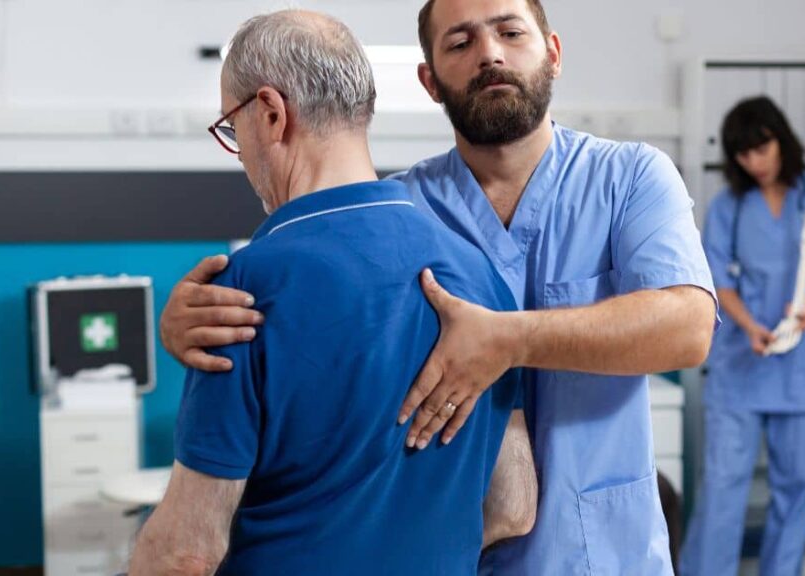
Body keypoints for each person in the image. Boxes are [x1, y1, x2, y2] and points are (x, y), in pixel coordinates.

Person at [159, 0, 718, 573]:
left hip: (601, 551)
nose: (490, 54)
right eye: (460, 43)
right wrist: (189, 322)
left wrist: (510, 338)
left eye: (510, 32)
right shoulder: (403, 211)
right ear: (429, 81)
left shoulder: (630, 179)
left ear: (552, 54)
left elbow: (688, 328)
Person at [129, 10, 531, 575]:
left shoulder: (240, 297)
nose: (240, 152)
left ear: (270, 114)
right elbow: (514, 508)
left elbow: (185, 553)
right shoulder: (483, 278)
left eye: (232, 129)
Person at [680, 96, 805, 576]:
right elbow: (715, 276)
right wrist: (748, 325)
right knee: (722, 487)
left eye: (761, 148)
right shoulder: (729, 207)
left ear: (781, 140)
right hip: (743, 359)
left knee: (797, 487)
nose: (753, 162)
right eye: (743, 154)